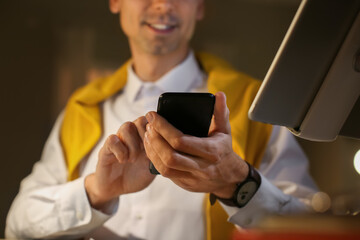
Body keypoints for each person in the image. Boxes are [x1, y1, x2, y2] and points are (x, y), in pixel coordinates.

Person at [6, 0, 317, 239]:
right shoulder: (82, 107)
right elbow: (16, 225)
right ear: (115, 1)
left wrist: (236, 182)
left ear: (200, 5)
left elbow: (310, 231)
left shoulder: (254, 107)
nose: (164, 5)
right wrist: (95, 192)